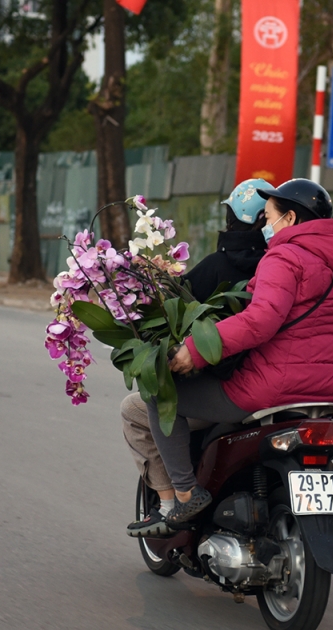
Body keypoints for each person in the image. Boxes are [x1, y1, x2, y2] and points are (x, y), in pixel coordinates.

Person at [145, 178, 333, 527]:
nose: (265, 226)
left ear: (291, 219)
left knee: (160, 394)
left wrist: (195, 351)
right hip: (330, 391)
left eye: (268, 217)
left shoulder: (284, 255)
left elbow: (260, 320)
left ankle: (187, 495)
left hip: (272, 387)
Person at [125, 179, 272, 537]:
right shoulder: (287, 268)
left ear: (231, 219)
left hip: (243, 391)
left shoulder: (216, 269)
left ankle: (175, 501)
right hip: (299, 388)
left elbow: (169, 323)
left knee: (144, 402)